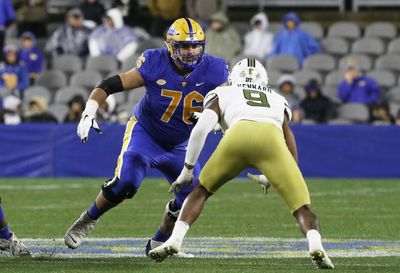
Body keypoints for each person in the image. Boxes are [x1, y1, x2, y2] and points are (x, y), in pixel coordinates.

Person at [64, 18, 228, 257]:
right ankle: (89, 218)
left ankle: (157, 242)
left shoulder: (216, 68)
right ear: (171, 45)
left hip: (181, 144)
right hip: (147, 134)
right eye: (184, 45)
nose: (191, 51)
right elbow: (110, 84)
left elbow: (225, 103)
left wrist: (212, 119)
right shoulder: (154, 61)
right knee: (128, 182)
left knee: (192, 198)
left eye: (195, 45)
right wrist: (90, 110)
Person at [148, 58, 334, 269]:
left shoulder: (224, 92)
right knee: (302, 207)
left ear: (233, 77)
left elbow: (201, 129)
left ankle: (175, 240)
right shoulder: (276, 98)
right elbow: (288, 137)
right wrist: (275, 174)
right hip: (271, 142)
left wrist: (188, 169)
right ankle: (316, 245)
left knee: (201, 191)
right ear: (264, 79)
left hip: (237, 138)